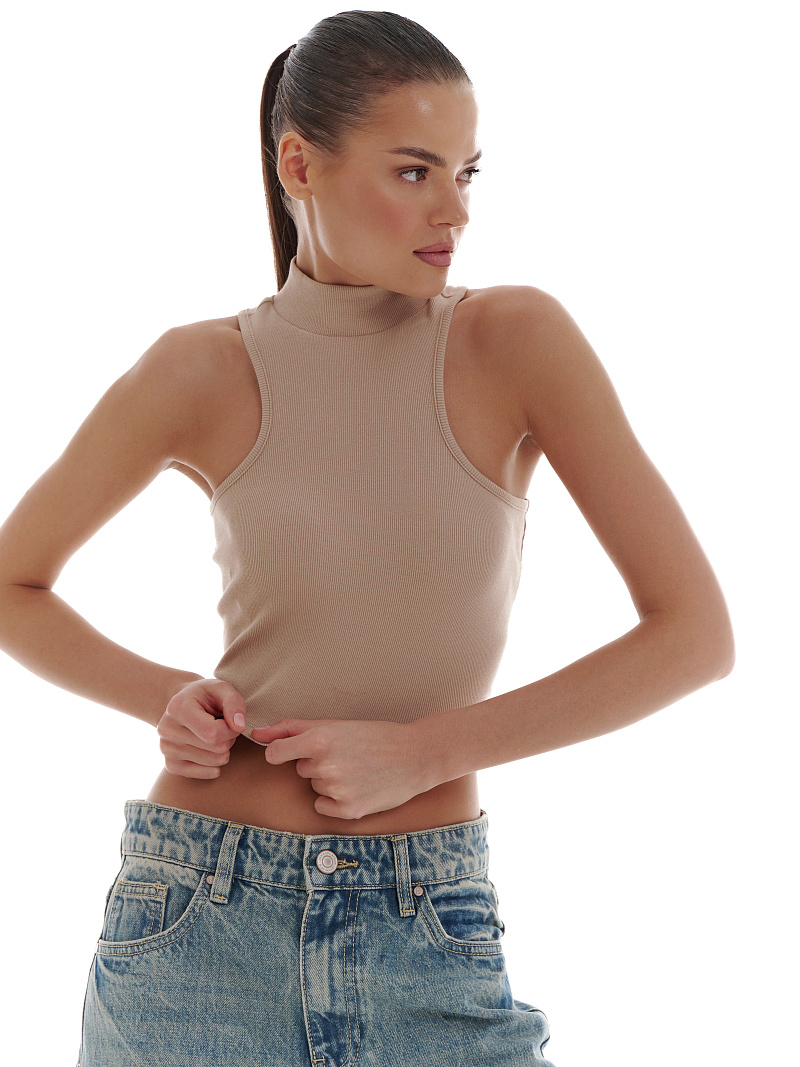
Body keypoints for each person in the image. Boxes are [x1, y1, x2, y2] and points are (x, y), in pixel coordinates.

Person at [0, 10, 734, 1067]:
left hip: (425, 916)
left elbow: (694, 636)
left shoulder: (514, 340)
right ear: (300, 164)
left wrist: (427, 750)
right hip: (194, 921)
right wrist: (162, 693)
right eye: (414, 171)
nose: (454, 208)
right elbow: (14, 581)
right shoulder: (199, 368)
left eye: (465, 173)